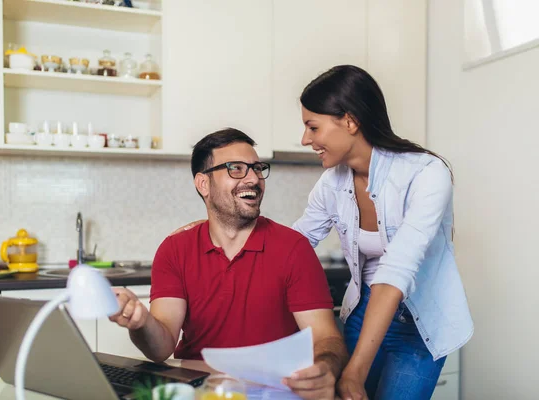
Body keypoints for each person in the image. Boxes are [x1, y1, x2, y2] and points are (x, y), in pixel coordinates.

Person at [174, 65, 474, 400]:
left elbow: (396, 272)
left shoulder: (427, 175)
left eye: (312, 126)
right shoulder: (333, 182)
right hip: (363, 312)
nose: (305, 139)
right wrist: (219, 227)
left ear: (349, 121)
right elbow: (294, 242)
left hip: (419, 324)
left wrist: (354, 374)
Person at [109, 128, 353, 400]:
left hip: (273, 392)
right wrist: (141, 322)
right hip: (201, 392)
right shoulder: (174, 250)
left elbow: (326, 338)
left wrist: (325, 367)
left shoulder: (294, 249)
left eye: (257, 168)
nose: (253, 178)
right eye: (236, 168)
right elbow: (161, 346)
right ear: (203, 184)